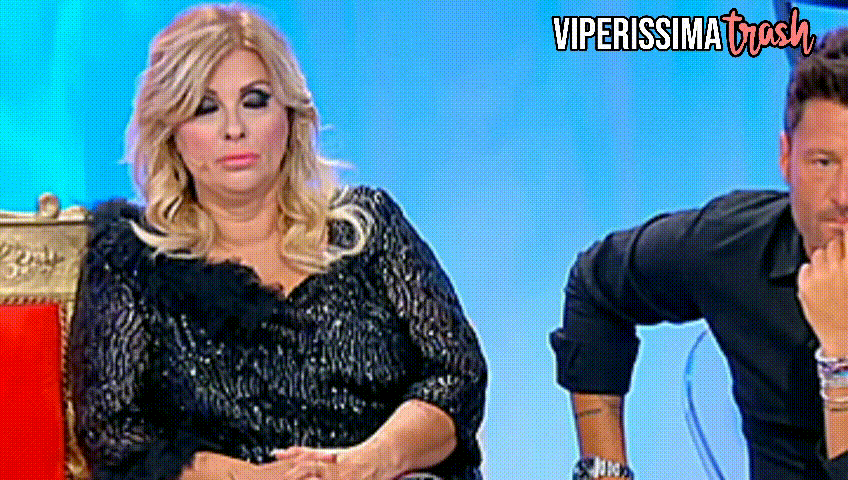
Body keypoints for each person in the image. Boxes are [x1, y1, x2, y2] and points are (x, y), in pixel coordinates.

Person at [69, 5, 486, 480]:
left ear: (290, 115)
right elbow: (117, 439)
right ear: (171, 132)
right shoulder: (131, 262)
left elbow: (457, 377)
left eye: (255, 101)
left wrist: (367, 462)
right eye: (205, 108)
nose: (234, 129)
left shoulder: (367, 227)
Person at [551, 29, 848, 480]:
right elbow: (597, 287)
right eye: (823, 162)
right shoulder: (735, 248)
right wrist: (604, 470)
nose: (843, 196)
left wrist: (840, 355)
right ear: (786, 157)